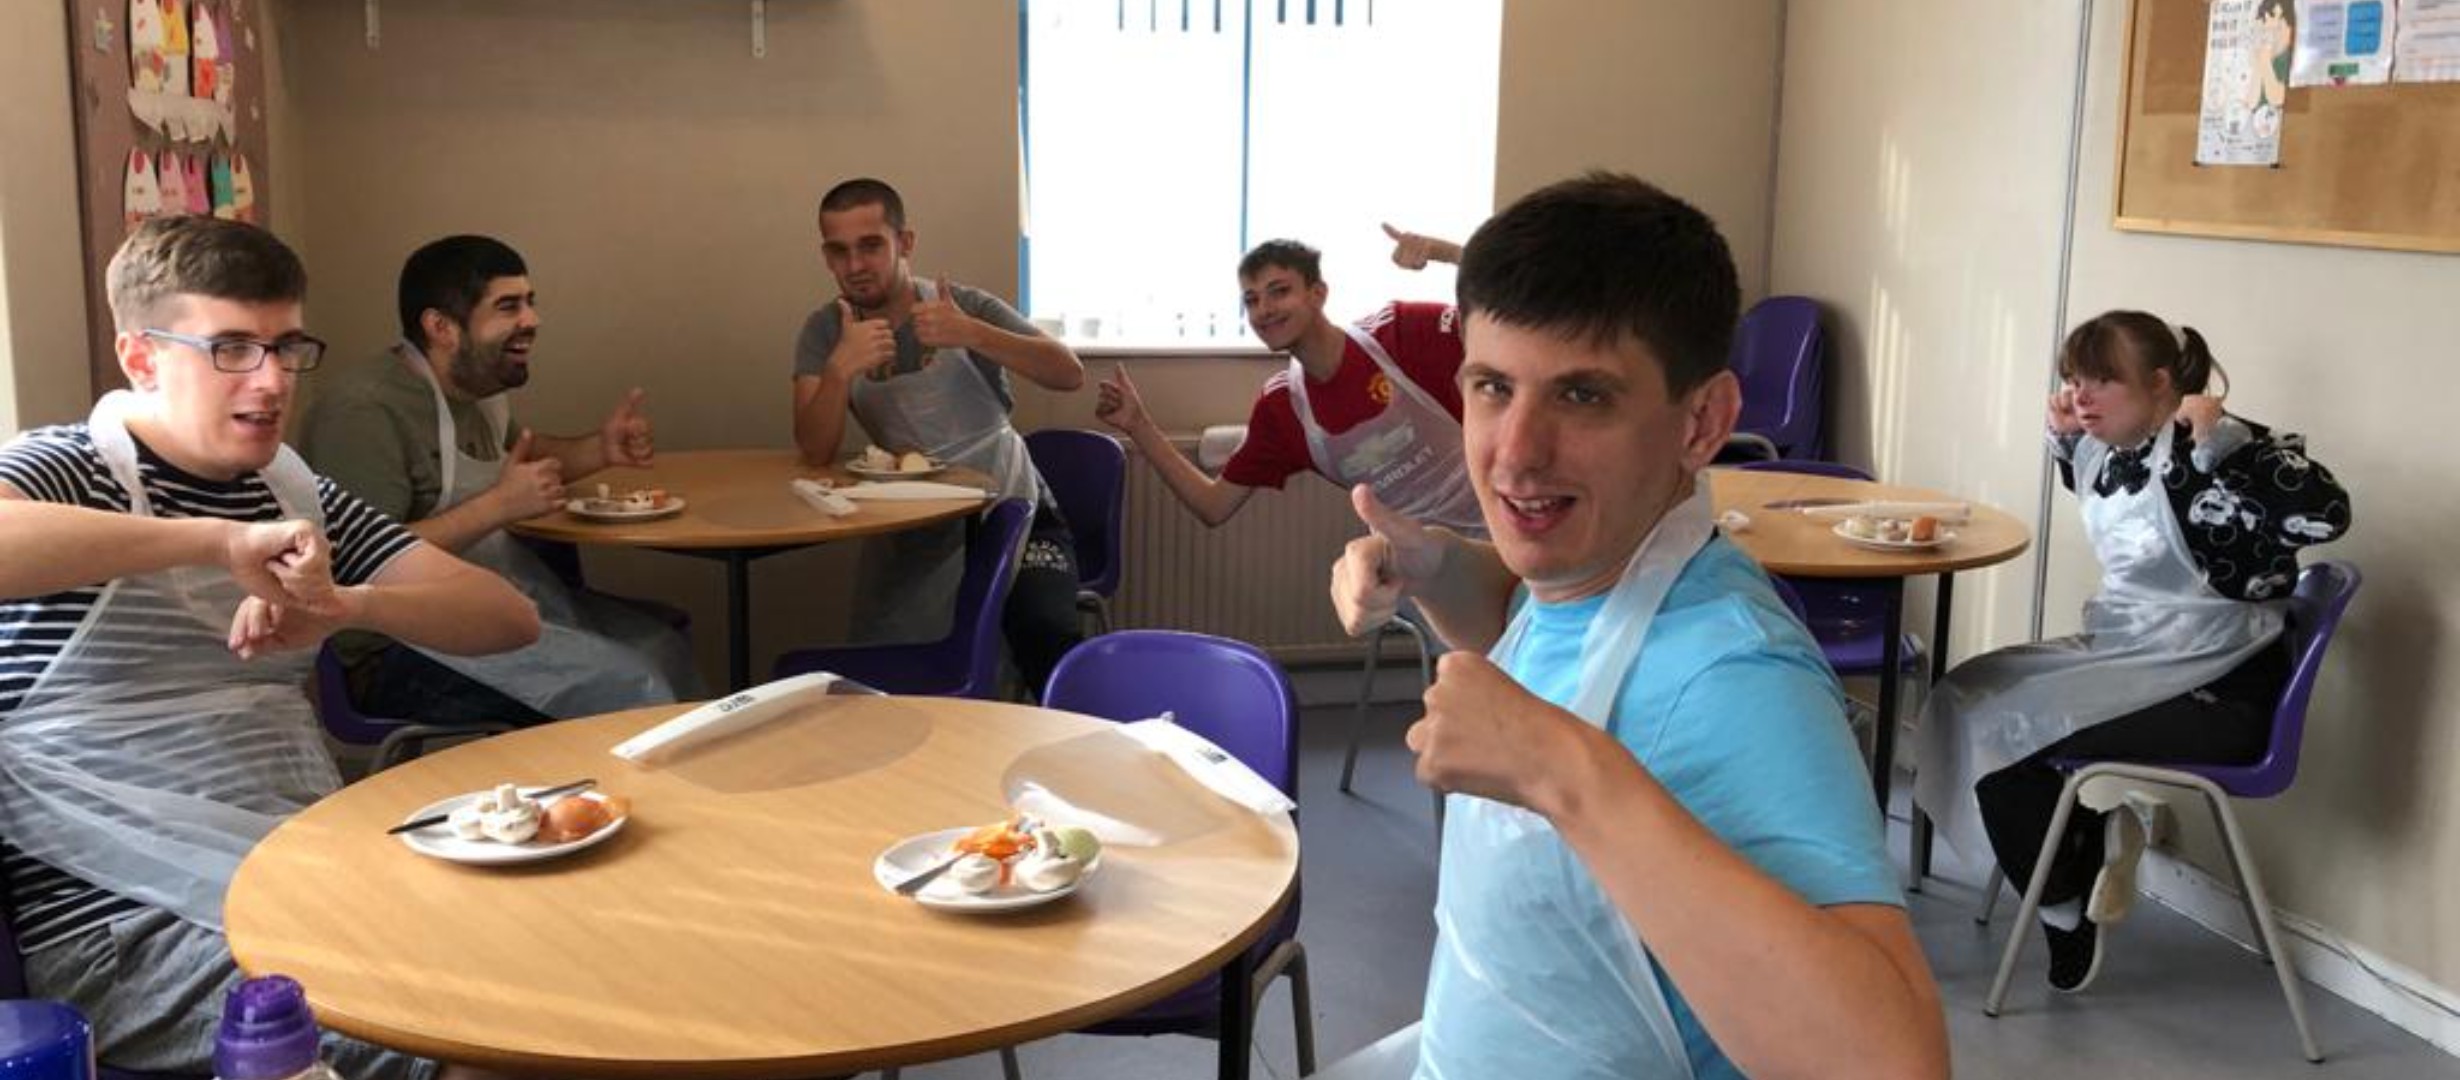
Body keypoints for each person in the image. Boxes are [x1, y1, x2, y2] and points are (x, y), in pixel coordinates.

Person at [1323, 174, 1947, 1080]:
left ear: (1702, 423)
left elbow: (1894, 1067)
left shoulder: (1733, 676)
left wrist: (1562, 771)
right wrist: (1437, 566)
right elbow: (1547, 621)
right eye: (1493, 387)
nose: (1516, 450)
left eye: (1583, 398)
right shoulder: (1601, 569)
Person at [0, 215, 539, 1079]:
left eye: (287, 347)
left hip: (312, 870)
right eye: (230, 349)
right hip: (132, 928)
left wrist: (348, 604)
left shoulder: (293, 491)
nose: (271, 379)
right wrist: (214, 543)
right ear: (141, 357)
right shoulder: (65, 467)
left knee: (568, 959)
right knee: (484, 1038)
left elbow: (506, 618)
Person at [1914, 310, 2351, 994]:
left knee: (2006, 733)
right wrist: (2064, 436)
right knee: (1963, 693)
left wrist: (2229, 444)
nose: (2081, 397)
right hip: (2133, 654)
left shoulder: (2216, 450)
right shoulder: (2116, 452)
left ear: (2157, 385)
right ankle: (2089, 839)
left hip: (2219, 686)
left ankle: (2065, 904)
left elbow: (2326, 512)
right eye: (2074, 381)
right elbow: (2100, 485)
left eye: (2101, 382)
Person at [298, 235, 699, 724]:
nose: (532, 320)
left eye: (530, 303)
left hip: (492, 607)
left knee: (662, 646)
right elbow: (353, 562)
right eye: (508, 306)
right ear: (441, 327)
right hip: (396, 649)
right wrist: (497, 507)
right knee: (627, 680)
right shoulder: (363, 412)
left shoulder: (475, 388)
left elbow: (524, 458)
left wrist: (600, 449)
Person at [790, 178, 1086, 691]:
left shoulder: (962, 305)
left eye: (871, 245)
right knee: (888, 666)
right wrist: (839, 371)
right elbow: (815, 450)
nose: (855, 265)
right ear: (825, 256)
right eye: (839, 251)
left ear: (905, 243)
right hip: (913, 531)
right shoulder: (824, 330)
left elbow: (1068, 373)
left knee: (1045, 632)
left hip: (1016, 511)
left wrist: (974, 334)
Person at [1095, 226, 1482, 536]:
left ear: (1318, 294)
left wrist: (1450, 254)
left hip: (1510, 525)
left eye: (1279, 292)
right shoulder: (1282, 408)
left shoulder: (1398, 332)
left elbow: (1510, 317)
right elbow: (1212, 507)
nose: (1264, 310)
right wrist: (1137, 426)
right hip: (1422, 567)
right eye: (1251, 300)